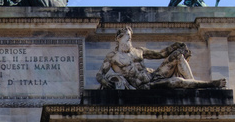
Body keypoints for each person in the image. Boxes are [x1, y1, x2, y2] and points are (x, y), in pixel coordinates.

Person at [96, 25, 226, 91]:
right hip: (144, 86)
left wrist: (175, 45)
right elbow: (99, 74)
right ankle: (209, 84)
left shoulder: (138, 51)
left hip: (153, 76)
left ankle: (193, 87)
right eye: (127, 38)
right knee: (176, 81)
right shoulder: (113, 57)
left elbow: (161, 54)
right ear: (119, 39)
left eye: (130, 38)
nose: (129, 41)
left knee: (177, 55)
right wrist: (106, 83)